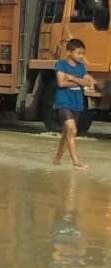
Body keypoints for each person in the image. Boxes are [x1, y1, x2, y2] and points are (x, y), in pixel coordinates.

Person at [53, 38, 96, 170]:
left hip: (76, 103)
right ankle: (76, 161)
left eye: (83, 53)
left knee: (67, 133)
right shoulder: (61, 64)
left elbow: (89, 82)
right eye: (78, 53)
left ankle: (57, 159)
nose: (81, 56)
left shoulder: (81, 67)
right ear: (69, 52)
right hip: (63, 101)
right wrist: (80, 81)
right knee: (72, 129)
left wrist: (72, 78)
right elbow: (61, 83)